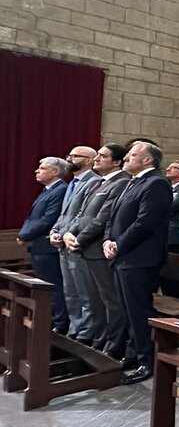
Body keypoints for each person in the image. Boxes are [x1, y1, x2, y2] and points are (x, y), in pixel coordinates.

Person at [103, 141, 172, 384]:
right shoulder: (133, 182)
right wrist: (108, 240)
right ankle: (132, 355)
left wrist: (118, 244)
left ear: (147, 160)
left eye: (132, 155)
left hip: (140, 258)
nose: (126, 159)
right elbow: (114, 217)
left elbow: (145, 223)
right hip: (124, 256)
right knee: (128, 310)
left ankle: (147, 360)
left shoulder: (156, 183)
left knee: (139, 311)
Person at [63, 144, 130, 359]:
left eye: (102, 156)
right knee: (93, 299)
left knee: (109, 300)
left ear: (117, 162)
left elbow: (103, 218)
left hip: (98, 249)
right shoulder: (97, 183)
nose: (97, 159)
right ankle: (99, 337)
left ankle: (113, 344)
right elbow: (82, 213)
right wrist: (69, 233)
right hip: (84, 248)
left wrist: (79, 240)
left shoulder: (121, 182)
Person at [50, 146, 99, 342]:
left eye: (75, 156)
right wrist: (54, 231)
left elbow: (84, 216)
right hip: (64, 243)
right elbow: (65, 214)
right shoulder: (73, 182)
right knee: (70, 292)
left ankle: (86, 333)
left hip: (77, 244)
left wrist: (62, 234)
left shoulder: (93, 182)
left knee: (84, 293)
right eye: (68, 155)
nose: (69, 158)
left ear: (88, 160)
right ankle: (74, 329)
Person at [17, 157, 70, 334]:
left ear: (55, 172)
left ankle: (59, 323)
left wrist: (25, 235)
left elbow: (49, 219)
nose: (37, 171)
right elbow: (33, 217)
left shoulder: (60, 190)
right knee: (47, 286)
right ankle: (52, 320)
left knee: (54, 287)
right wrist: (24, 234)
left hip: (47, 247)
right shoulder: (48, 190)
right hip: (38, 245)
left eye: (42, 168)